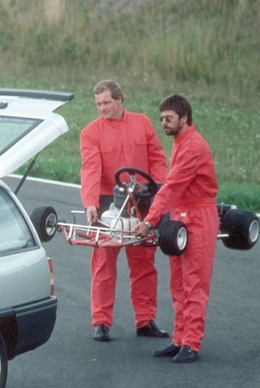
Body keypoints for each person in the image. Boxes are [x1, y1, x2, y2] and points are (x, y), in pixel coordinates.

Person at [80, 80, 170, 343]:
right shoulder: (90, 133)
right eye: (98, 104)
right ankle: (101, 322)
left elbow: (157, 160)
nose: (102, 109)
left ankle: (145, 320)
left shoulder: (142, 123)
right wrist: (90, 203)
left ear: (120, 99)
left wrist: (160, 194)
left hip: (142, 200)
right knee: (103, 264)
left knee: (144, 263)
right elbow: (90, 169)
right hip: (110, 203)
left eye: (106, 102)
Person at [135, 94, 218, 364]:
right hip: (180, 215)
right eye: (161, 119)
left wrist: (149, 220)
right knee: (178, 284)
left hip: (199, 214)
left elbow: (171, 186)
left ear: (184, 118)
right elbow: (172, 190)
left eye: (168, 118)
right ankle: (179, 338)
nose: (163, 123)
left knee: (194, 283)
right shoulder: (179, 142)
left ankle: (191, 343)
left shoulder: (193, 146)